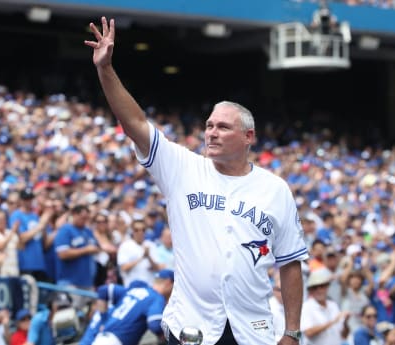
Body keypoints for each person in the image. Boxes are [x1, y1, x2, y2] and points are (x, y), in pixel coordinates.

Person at [85, 16, 309, 345]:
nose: (211, 133)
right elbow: (134, 122)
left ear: (248, 136)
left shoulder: (275, 190)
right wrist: (105, 69)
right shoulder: (183, 168)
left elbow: (290, 265)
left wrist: (291, 331)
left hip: (253, 331)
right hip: (193, 327)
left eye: (222, 127)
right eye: (209, 125)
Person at [91, 269, 175, 345]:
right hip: (117, 341)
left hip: (102, 337)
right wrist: (165, 336)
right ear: (169, 283)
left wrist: (104, 320)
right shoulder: (156, 297)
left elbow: (102, 290)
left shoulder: (135, 290)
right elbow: (155, 324)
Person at [300, 268, 350, 345]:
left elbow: (344, 335)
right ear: (310, 290)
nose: (319, 290)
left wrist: (346, 321)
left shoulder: (333, 305)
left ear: (327, 287)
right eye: (315, 287)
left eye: (322, 286)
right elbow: (308, 332)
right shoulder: (306, 307)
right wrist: (332, 322)